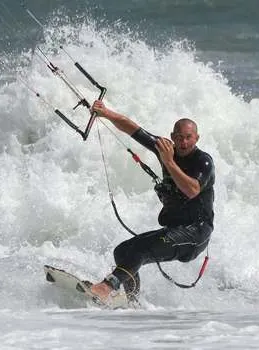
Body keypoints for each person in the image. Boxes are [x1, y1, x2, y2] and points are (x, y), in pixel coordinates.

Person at [90, 100, 215, 304]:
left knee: (141, 250)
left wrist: (169, 162)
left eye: (189, 138)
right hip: (176, 229)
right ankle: (132, 302)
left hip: (196, 232)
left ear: (197, 138)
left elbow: (192, 190)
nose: (184, 143)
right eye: (180, 138)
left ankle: (106, 287)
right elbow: (134, 129)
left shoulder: (204, 161)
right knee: (122, 251)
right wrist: (106, 113)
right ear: (173, 137)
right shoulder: (166, 148)